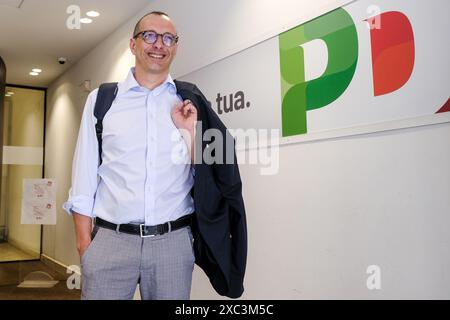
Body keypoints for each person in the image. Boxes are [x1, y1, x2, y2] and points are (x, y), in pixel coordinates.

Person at [63, 11, 247, 300]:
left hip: (172, 244)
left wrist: (189, 133)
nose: (158, 44)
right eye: (149, 35)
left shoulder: (190, 101)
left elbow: (216, 173)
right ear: (133, 44)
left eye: (168, 38)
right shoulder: (101, 100)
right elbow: (84, 177)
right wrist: (86, 245)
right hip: (110, 242)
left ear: (175, 47)